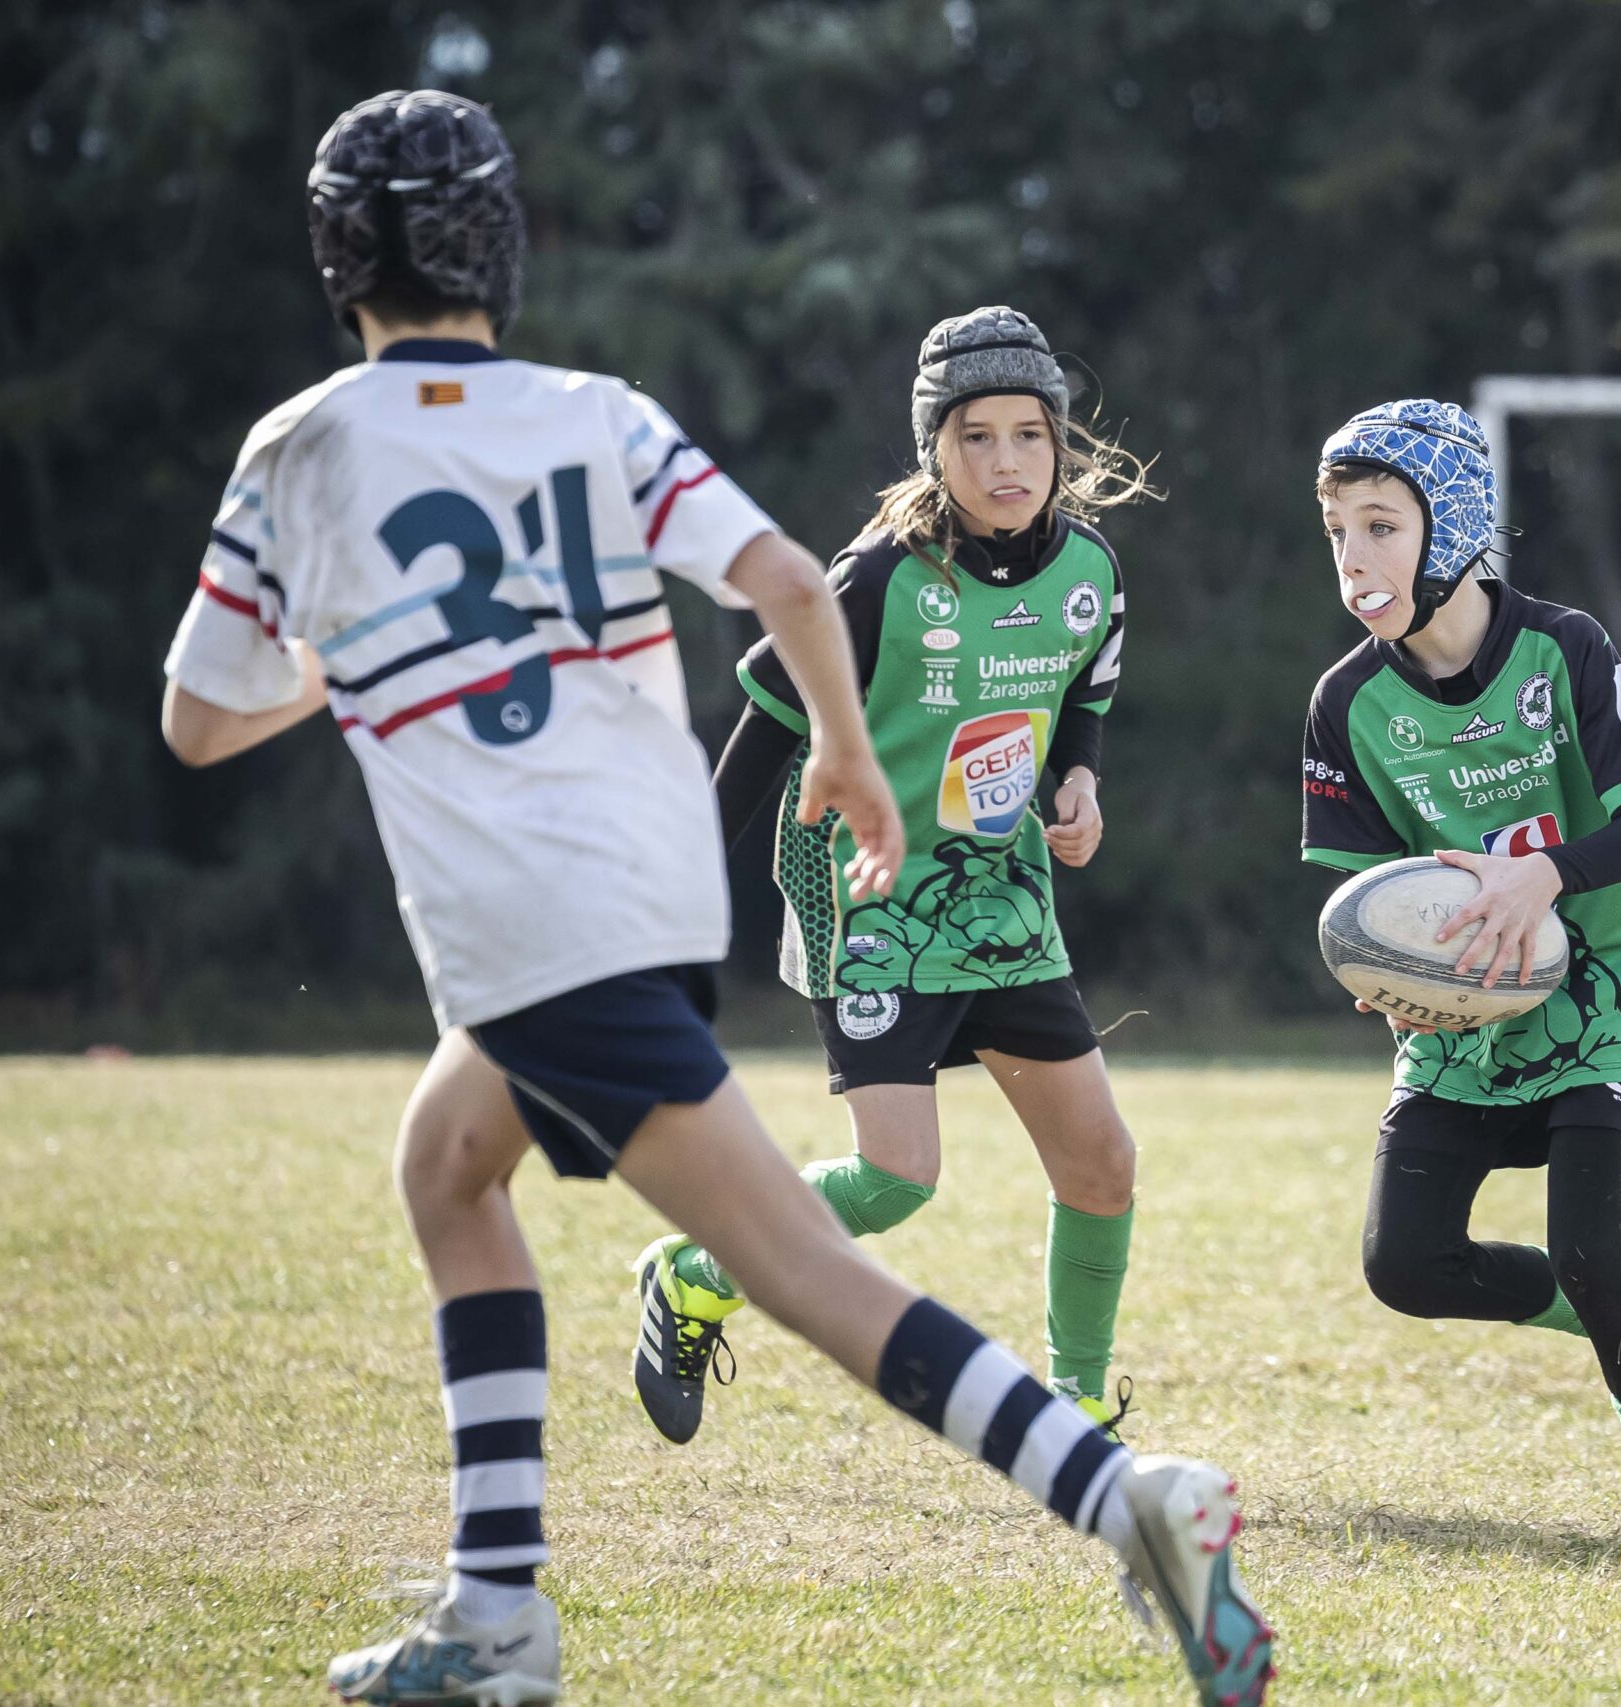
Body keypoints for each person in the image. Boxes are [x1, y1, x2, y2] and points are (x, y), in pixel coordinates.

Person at [160, 90, 1270, 1706]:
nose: (1012, 458)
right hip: (660, 887)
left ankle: (1128, 1499)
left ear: (339, 263)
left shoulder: (304, 445)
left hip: (554, 923)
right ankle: (498, 1609)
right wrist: (856, 760)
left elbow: (197, 718)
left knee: (817, 1274)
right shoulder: (599, 410)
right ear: (505, 247)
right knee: (449, 1166)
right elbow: (794, 587)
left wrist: (360, 648)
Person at [626, 306, 1160, 1452]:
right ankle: (696, 1271)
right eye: (976, 438)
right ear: (935, 448)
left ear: (1061, 443)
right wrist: (685, 902)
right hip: (864, 897)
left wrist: (1079, 783)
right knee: (896, 1177)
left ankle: (1075, 1411)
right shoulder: (876, 581)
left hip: (1002, 901)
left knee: (1102, 1165)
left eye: (1030, 435)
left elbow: (1083, 701)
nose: (1007, 461)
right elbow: (766, 734)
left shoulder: (1090, 571)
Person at [1298, 400, 1621, 1569]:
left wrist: (1537, 877)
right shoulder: (1347, 704)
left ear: (1452, 531)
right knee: (1406, 1266)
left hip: (1595, 994)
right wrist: (1383, 974)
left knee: (1590, 1249)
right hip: (1462, 1025)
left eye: (1383, 525)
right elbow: (1360, 894)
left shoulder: (1563, 648)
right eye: (1337, 528)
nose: (1354, 555)